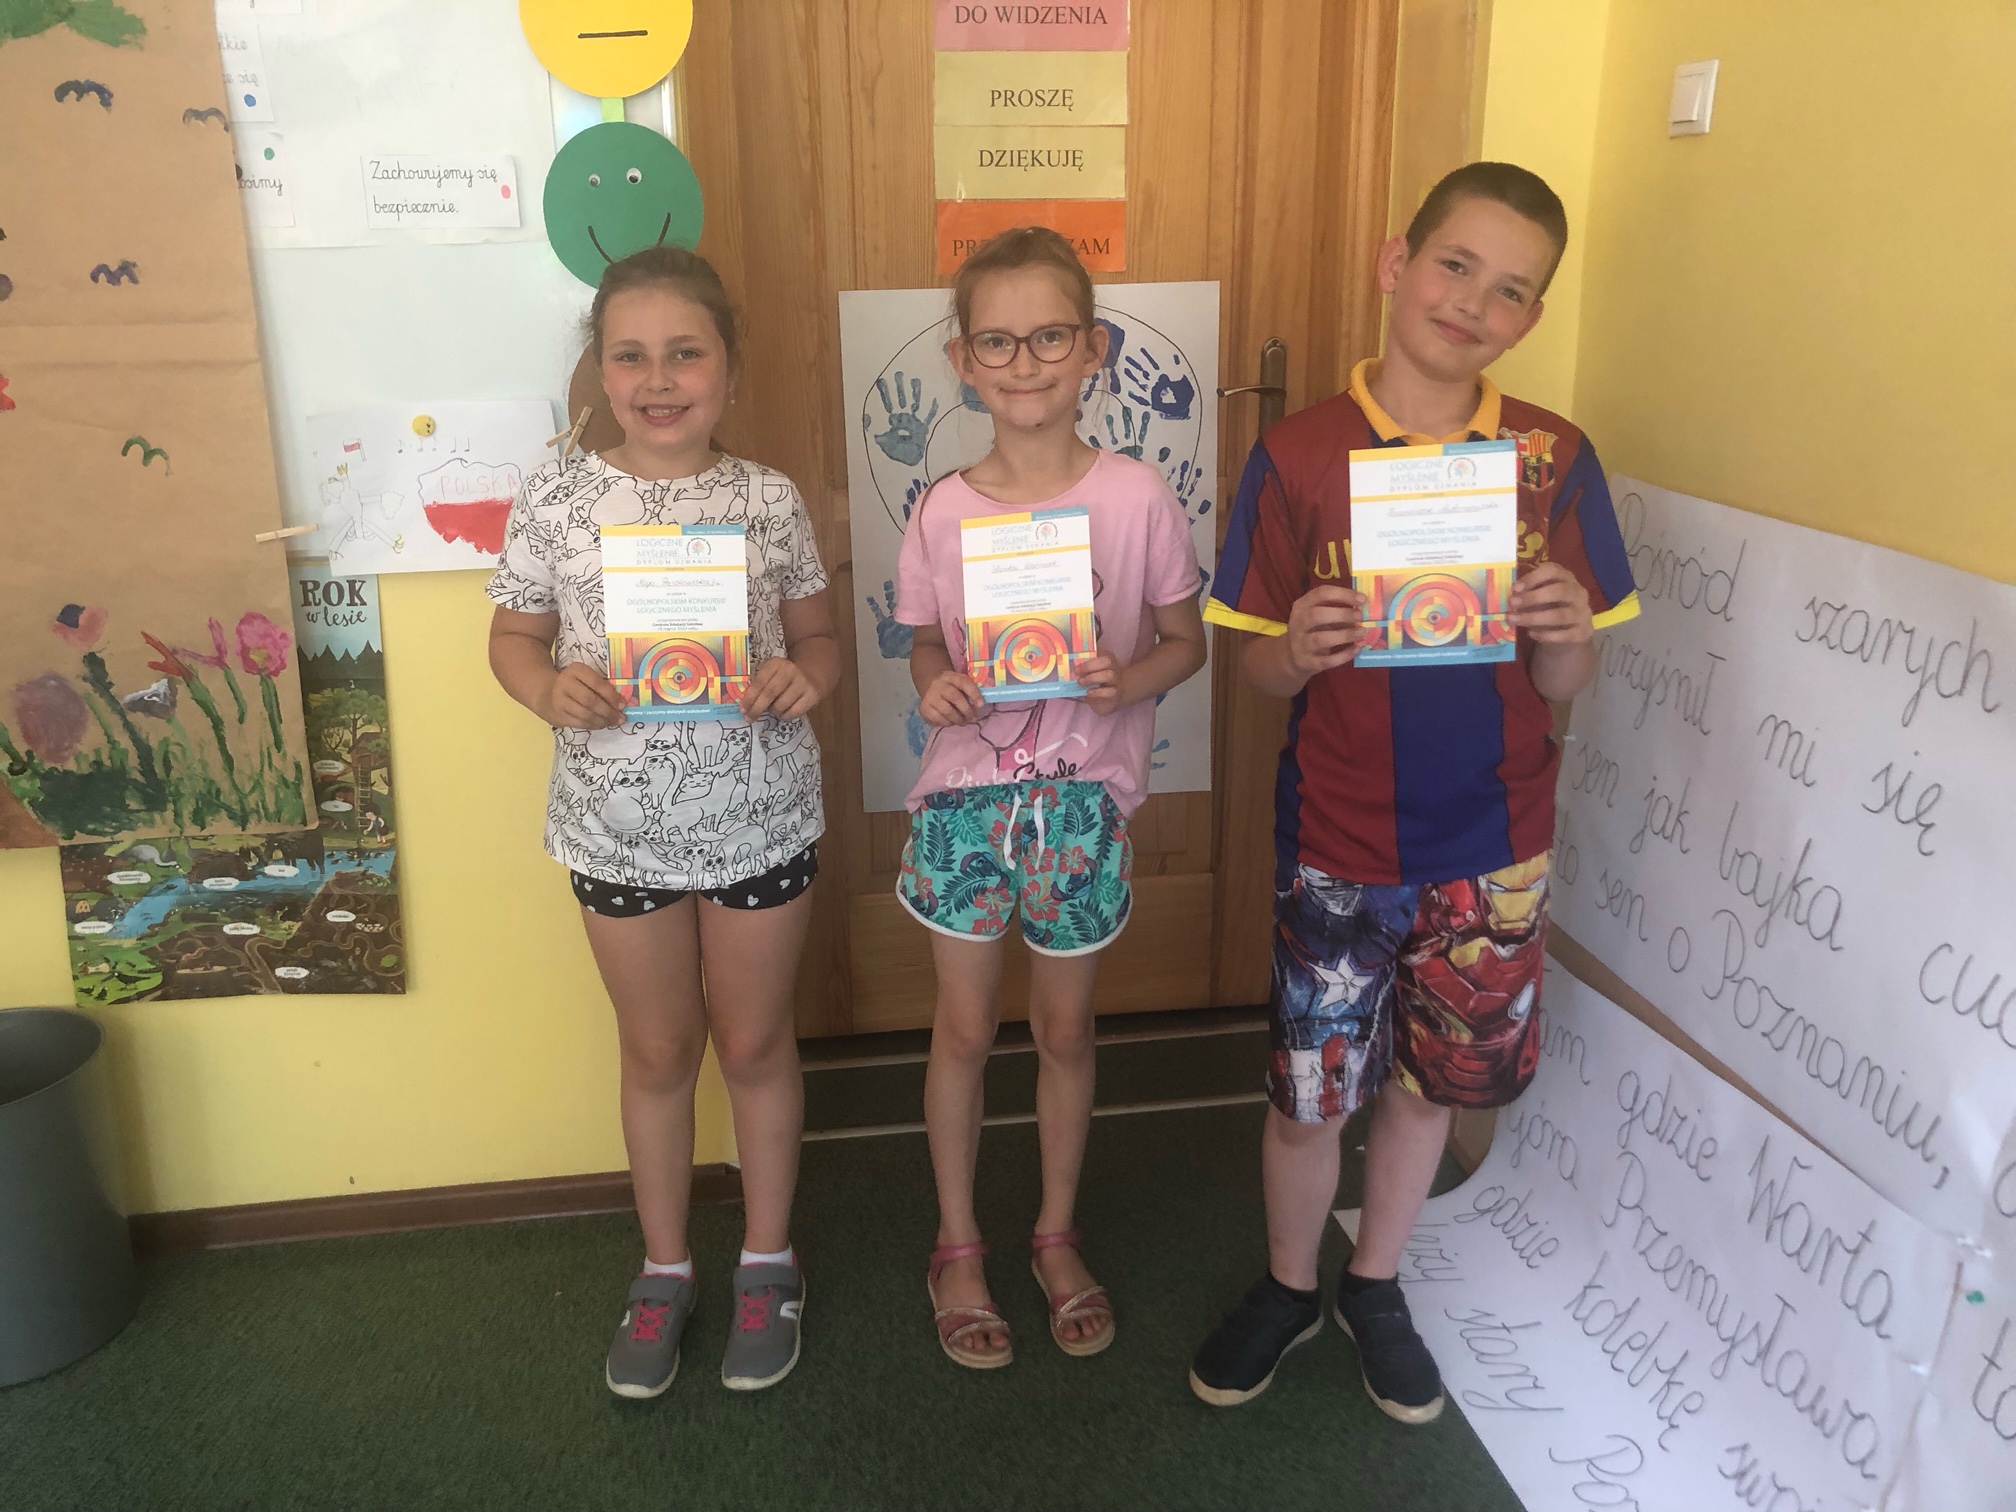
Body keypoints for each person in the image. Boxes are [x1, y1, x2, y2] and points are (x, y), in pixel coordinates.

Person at [1190, 163, 1640, 1419]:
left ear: (1531, 319)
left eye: (1511, 291)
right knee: (1310, 1098)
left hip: (1494, 846)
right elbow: (1254, 673)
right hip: (1338, 841)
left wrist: (1565, 630)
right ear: (1397, 263)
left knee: (1432, 1087)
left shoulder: (1551, 458)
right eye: (1454, 265)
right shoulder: (1297, 453)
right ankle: (1289, 1283)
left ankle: (1375, 1280)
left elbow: (1567, 679)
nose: (1472, 304)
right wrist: (1300, 646)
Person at [486, 246, 839, 1399]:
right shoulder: (556, 498)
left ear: (728, 365)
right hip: (616, 828)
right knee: (654, 1051)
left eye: (685, 352)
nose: (659, 379)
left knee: (754, 1045)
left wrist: (805, 675)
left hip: (758, 819)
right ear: (600, 370)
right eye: (630, 355)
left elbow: (819, 638)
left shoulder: (768, 499)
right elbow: (513, 639)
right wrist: (546, 689)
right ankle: (666, 1265)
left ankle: (769, 1259)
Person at [891, 227, 1209, 1368]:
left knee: (1065, 1028)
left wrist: (1134, 678)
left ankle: (1055, 1233)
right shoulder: (941, 508)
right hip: (964, 809)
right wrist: (934, 684)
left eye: (1049, 338)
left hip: (1081, 808)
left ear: (1094, 350)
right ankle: (958, 1243)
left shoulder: (1136, 497)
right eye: (997, 341)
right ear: (962, 360)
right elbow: (924, 640)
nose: (1023, 362)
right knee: (966, 1027)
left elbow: (1186, 641)